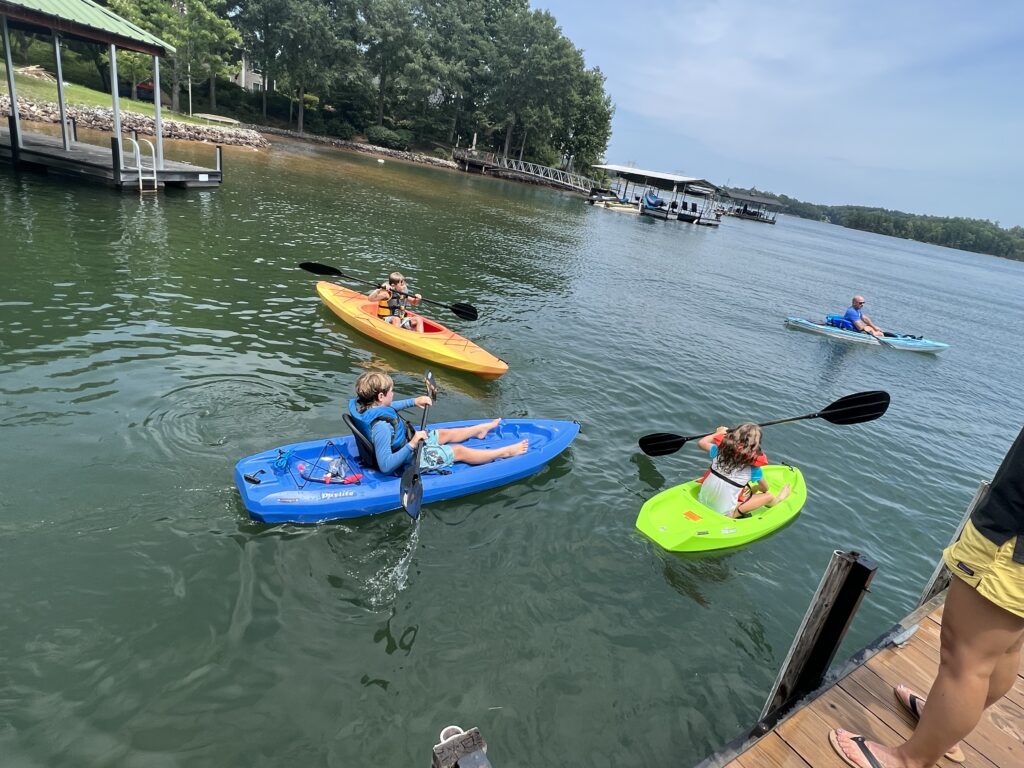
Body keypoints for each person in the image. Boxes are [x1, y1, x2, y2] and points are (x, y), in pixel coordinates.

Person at [829, 426, 1024, 768]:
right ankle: (942, 731)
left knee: (967, 659)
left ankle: (910, 759)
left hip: (1010, 539)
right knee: (1005, 649)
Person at [347, 371, 528, 475]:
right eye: (391, 391)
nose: (393, 394)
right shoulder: (381, 428)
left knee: (443, 433)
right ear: (380, 396)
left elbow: (388, 408)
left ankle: (479, 430)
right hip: (409, 459)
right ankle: (506, 452)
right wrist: (412, 444)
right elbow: (386, 466)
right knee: (458, 451)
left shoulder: (368, 407)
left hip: (407, 443)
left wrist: (414, 401)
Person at [696, 424, 790, 519]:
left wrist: (718, 433)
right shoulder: (753, 469)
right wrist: (757, 487)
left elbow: (701, 443)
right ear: (755, 446)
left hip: (701, 500)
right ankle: (779, 499)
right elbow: (765, 488)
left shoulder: (718, 452)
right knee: (768, 496)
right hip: (724, 513)